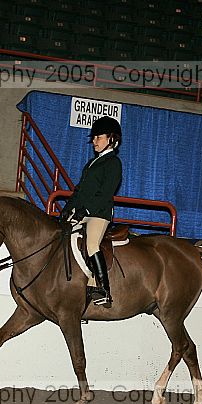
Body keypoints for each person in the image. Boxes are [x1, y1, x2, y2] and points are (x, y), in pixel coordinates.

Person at [60, 116, 123, 308]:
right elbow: (79, 190)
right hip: (82, 211)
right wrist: (67, 209)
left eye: (98, 137)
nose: (94, 141)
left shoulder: (114, 163)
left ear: (111, 139)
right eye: (94, 137)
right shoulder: (91, 163)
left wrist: (86, 210)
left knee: (92, 243)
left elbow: (105, 193)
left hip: (99, 213)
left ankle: (103, 289)